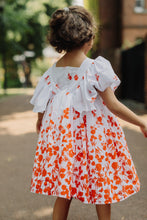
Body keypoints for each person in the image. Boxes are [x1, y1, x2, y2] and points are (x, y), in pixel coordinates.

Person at [30, 5, 147, 220]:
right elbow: (113, 105)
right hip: (93, 142)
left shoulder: (51, 72)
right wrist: (141, 122)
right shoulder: (94, 68)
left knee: (63, 192)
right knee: (101, 187)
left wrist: (41, 122)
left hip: (65, 144)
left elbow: (41, 106)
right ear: (87, 38)